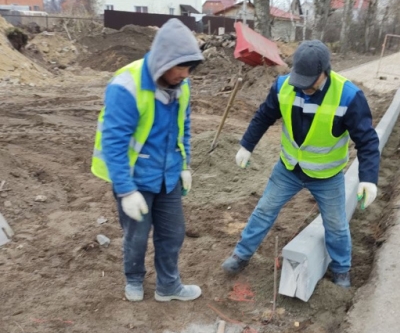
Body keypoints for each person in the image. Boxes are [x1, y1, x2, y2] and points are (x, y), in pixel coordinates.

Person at [222, 40, 380, 288]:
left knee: (336, 226)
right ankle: (241, 255)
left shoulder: (348, 96)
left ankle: (341, 270)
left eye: (310, 82)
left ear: (324, 72)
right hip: (288, 169)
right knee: (264, 210)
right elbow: (264, 116)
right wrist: (247, 145)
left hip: (327, 176)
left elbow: (367, 141)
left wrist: (368, 179)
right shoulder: (284, 86)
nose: (303, 87)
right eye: (300, 80)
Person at [91, 19, 204, 302]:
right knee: (137, 236)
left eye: (190, 67)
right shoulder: (126, 87)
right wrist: (126, 190)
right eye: (181, 67)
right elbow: (114, 143)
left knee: (174, 233)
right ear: (163, 61)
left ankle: (168, 286)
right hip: (134, 176)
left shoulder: (182, 85)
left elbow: (184, 127)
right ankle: (134, 279)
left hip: (167, 175)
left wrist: (185, 165)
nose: (185, 74)